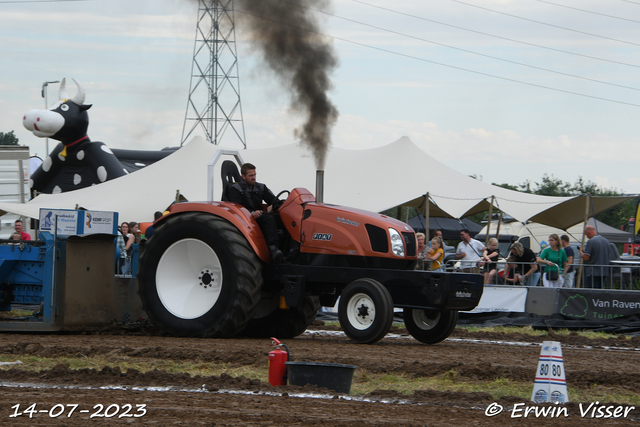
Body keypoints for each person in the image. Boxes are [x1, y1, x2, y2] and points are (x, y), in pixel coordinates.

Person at [228, 163, 283, 262]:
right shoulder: (235, 189)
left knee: (281, 218)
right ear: (243, 176)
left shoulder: (260, 187)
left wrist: (277, 206)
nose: (253, 178)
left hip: (261, 215)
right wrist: (252, 213)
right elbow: (237, 208)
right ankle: (273, 250)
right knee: (268, 219)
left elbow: (274, 200)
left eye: (254, 175)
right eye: (250, 176)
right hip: (246, 218)